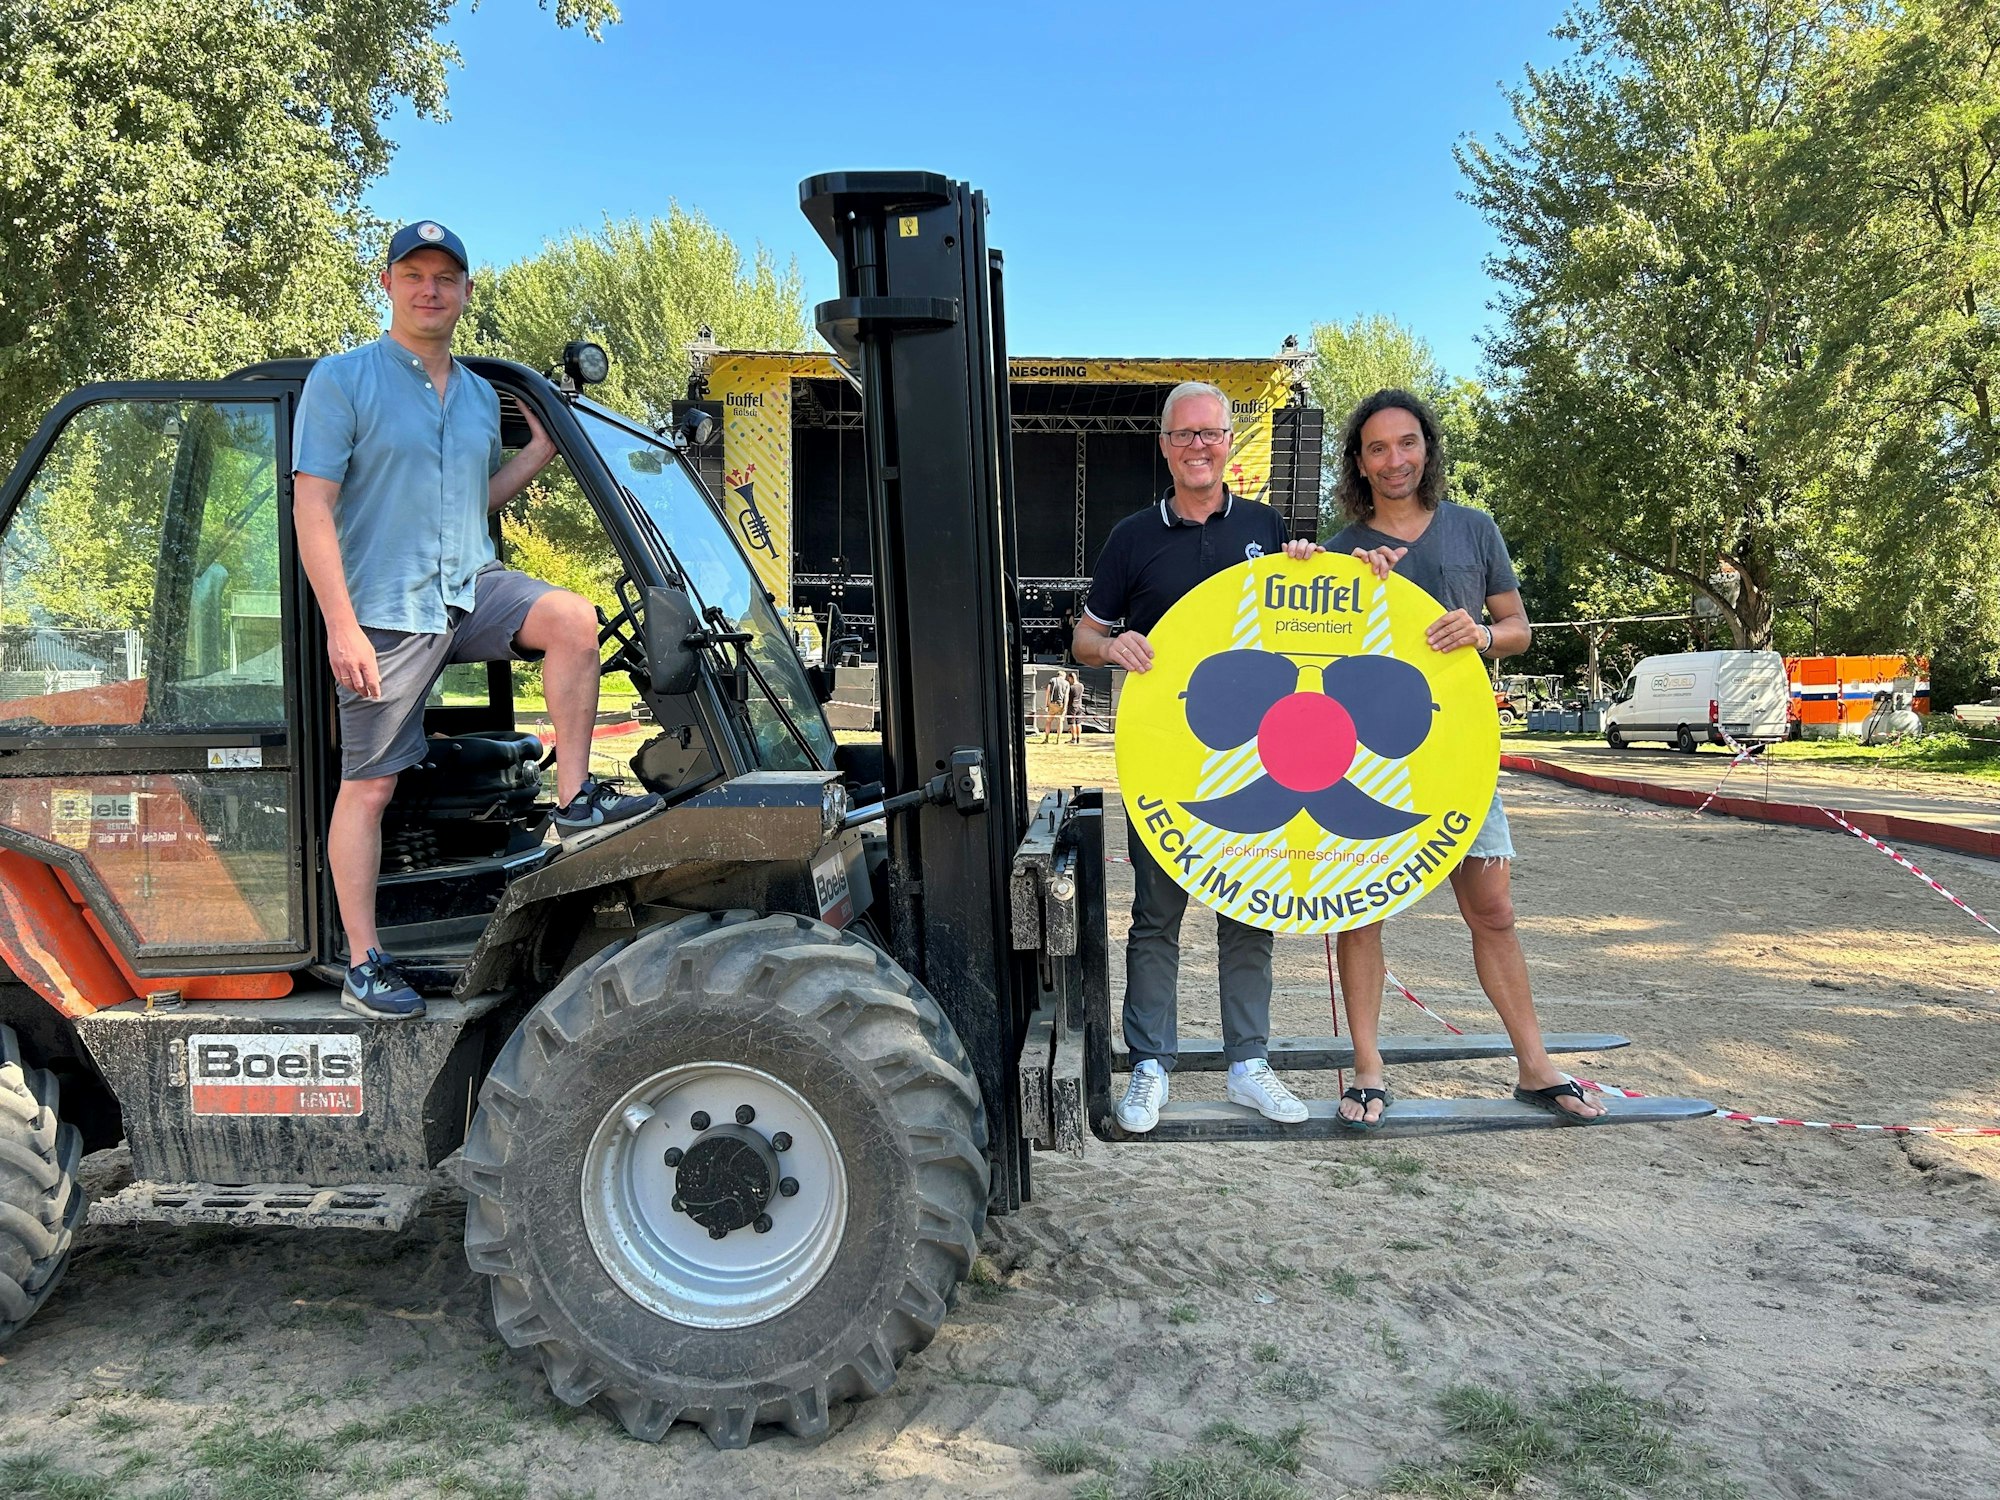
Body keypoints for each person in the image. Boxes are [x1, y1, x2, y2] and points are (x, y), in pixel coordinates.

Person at [293, 220, 663, 1022]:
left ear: (465, 292)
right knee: (371, 786)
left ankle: (571, 803)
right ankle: (364, 961)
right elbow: (313, 508)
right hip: (386, 610)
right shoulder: (344, 380)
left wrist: (533, 458)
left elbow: (466, 508)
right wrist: (342, 626)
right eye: (415, 274)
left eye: (446, 278)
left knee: (571, 616)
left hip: (466, 587)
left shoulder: (473, 397)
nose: (431, 289)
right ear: (388, 283)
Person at [1284, 389, 1605, 1125]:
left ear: (1427, 448)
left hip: (1459, 751)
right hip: (1363, 757)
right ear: (1358, 463)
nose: (1394, 460)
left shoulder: (1474, 529)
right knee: (1360, 907)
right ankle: (1367, 1068)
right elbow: (1296, 633)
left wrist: (1485, 637)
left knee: (1491, 910)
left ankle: (1535, 1066)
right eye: (1377, 448)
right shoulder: (1341, 549)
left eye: (1406, 444)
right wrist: (1309, 567)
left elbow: (1517, 626)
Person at [1071, 381, 1308, 1131]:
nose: (1199, 446)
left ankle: (1249, 1063)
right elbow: (1082, 639)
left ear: (1228, 443)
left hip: (1260, 761)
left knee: (1249, 913)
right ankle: (1150, 1065)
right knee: (1155, 916)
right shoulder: (1133, 537)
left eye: (1212, 433)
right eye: (1185, 435)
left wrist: (1311, 567)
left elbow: (1322, 627)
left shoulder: (1271, 530)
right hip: (1166, 760)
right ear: (1166, 446)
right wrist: (1112, 645)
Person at [1041, 668, 1071, 743]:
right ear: (1063, 676)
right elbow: (1066, 696)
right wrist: (1065, 707)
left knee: (1048, 721)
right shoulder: (1066, 683)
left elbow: (1047, 692)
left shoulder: (1052, 680)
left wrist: (1046, 705)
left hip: (1052, 703)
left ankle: (1046, 739)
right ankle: (1058, 739)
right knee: (1060, 722)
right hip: (1061, 704)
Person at [1065, 668, 1085, 743]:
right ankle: (1079, 738)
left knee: (1072, 723)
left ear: (1071, 678)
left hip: (1072, 706)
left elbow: (1068, 697)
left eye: (1069, 679)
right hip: (1079, 706)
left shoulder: (1071, 687)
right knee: (1078, 723)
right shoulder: (1081, 686)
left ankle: (1073, 738)